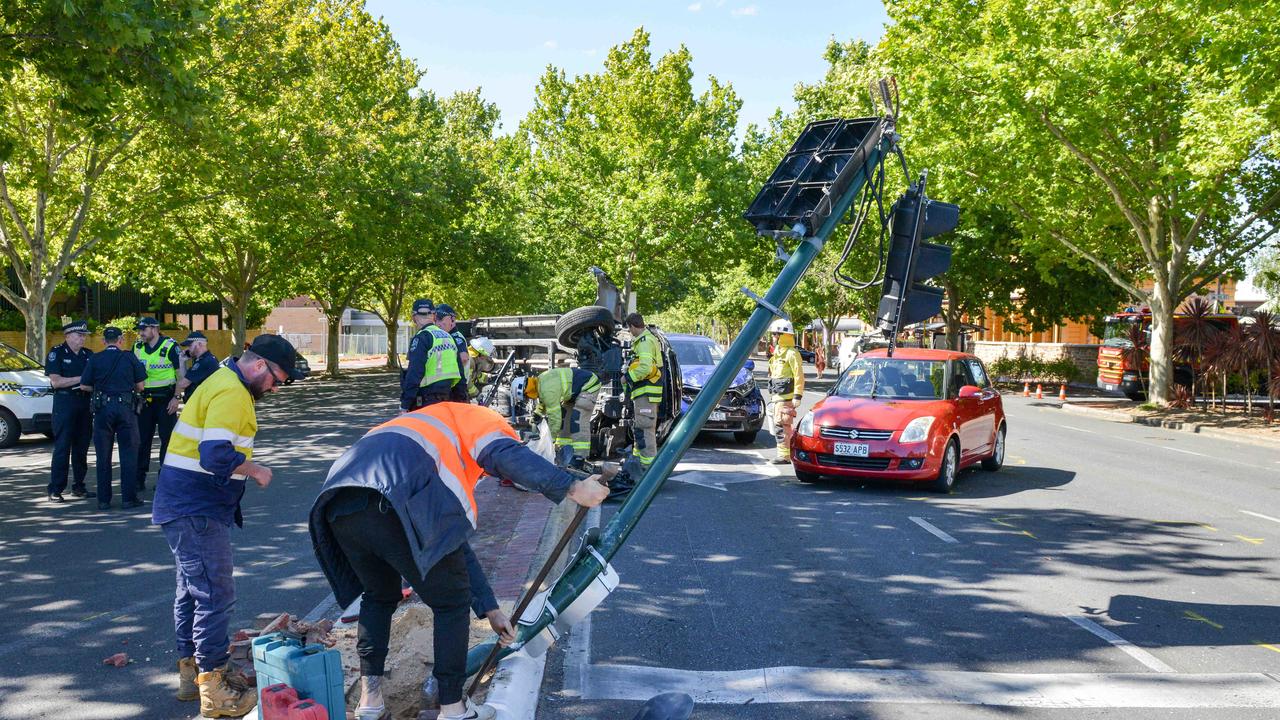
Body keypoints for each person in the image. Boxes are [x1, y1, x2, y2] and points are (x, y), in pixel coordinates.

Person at [309, 402, 609, 720]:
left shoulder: (419, 428)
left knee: (378, 597)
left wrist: (490, 609)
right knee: (451, 603)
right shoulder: (481, 421)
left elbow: (453, 547)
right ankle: (453, 708)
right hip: (396, 496)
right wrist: (573, 487)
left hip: (339, 502)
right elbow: (505, 455)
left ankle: (370, 704)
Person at [152, 334, 303, 718]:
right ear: (258, 366)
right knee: (215, 595)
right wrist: (256, 470)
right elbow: (215, 454)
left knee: (191, 592)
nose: (276, 386)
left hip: (185, 502)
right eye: (276, 378)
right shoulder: (233, 392)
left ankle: (193, 674)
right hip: (196, 506)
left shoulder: (221, 380)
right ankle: (215, 689)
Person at [79, 327, 146, 509]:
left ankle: (103, 500)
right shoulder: (129, 357)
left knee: (103, 456)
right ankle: (128, 498)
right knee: (129, 454)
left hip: (103, 409)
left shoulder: (95, 358)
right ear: (120, 340)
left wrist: (101, 391)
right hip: (125, 408)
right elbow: (140, 386)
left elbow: (84, 386)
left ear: (103, 341)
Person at [133, 317, 186, 492]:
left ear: (154, 329)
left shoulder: (170, 346)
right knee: (142, 441)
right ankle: (138, 478)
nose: (140, 333)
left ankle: (165, 478)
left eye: (143, 329)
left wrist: (176, 398)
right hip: (145, 401)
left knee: (167, 440)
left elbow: (181, 375)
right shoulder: (137, 347)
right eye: (139, 330)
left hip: (166, 400)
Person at [45, 320, 94, 502]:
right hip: (65, 403)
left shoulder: (88, 355)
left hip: (84, 404)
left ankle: (79, 486)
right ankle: (56, 489)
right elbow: (56, 382)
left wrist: (82, 382)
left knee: (81, 448)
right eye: (79, 335)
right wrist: (81, 379)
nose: (82, 339)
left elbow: (94, 380)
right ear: (67, 336)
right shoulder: (56, 353)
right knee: (62, 447)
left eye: (84, 336)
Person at [519, 366, 601, 467]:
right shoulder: (539, 382)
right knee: (564, 420)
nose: (528, 399)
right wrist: (538, 413)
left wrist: (550, 439)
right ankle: (562, 451)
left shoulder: (547, 390)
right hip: (574, 392)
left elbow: (555, 418)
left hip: (588, 386)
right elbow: (545, 400)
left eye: (526, 397)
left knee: (577, 420)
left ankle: (579, 457)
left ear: (527, 391)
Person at [401, 299, 462, 412]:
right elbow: (460, 373)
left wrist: (405, 404)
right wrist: (462, 402)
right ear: (434, 316)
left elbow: (415, 373)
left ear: (413, 317)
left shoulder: (421, 338)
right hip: (448, 397)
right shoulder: (448, 337)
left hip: (427, 400)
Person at [623, 313, 663, 474]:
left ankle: (648, 471)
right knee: (640, 428)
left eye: (629, 328)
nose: (630, 332)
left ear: (632, 326)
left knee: (645, 429)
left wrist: (627, 377)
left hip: (647, 394)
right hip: (643, 395)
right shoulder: (644, 340)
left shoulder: (645, 342)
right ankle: (638, 465)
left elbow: (645, 368)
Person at [766, 318, 804, 464]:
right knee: (778, 425)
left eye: (776, 334)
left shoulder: (792, 353)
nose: (774, 337)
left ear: (784, 335)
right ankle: (783, 453)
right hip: (777, 395)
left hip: (786, 396)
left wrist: (797, 395)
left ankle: (785, 455)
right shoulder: (778, 352)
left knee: (783, 425)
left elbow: (799, 375)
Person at [434, 303, 470, 403]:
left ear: (452, 320)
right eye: (435, 320)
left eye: (441, 320)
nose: (438, 324)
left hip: (456, 389)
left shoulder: (455, 337)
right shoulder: (446, 337)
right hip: (450, 388)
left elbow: (464, 358)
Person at [176, 331, 219, 402]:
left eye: (190, 345)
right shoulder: (203, 359)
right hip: (199, 403)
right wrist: (182, 361)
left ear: (199, 344)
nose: (187, 349)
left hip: (200, 404)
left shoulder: (204, 362)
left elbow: (182, 384)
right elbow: (186, 378)